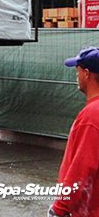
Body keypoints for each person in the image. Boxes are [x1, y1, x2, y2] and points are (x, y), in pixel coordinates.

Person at [48, 47, 99, 217]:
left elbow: (81, 168)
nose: (76, 76)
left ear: (86, 73)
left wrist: (59, 207)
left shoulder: (91, 116)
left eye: (77, 71)